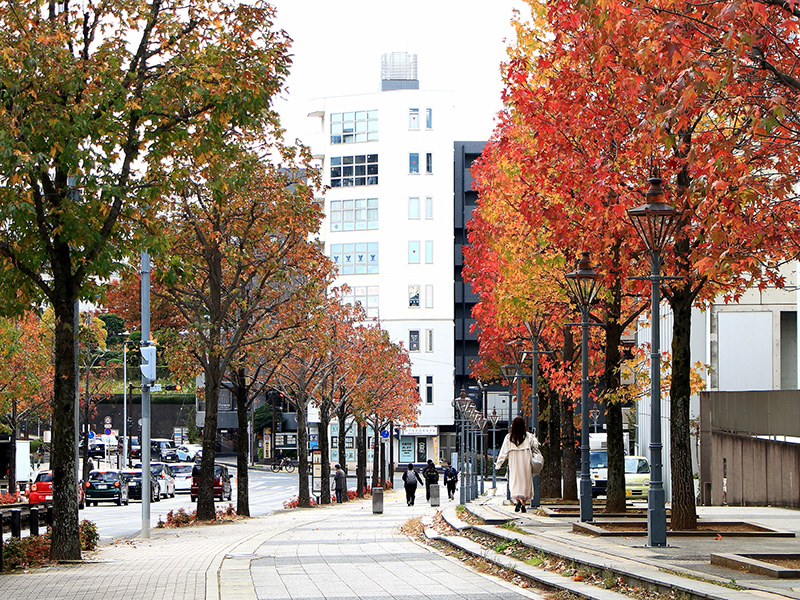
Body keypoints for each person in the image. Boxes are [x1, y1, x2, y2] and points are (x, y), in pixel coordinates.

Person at [495, 416, 539, 513]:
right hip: (525, 461)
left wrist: (498, 464)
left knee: (515, 481)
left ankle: (517, 500)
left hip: (514, 461)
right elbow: (535, 445)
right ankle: (523, 504)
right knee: (525, 482)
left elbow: (503, 452)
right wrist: (535, 437)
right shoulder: (528, 436)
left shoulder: (509, 437)